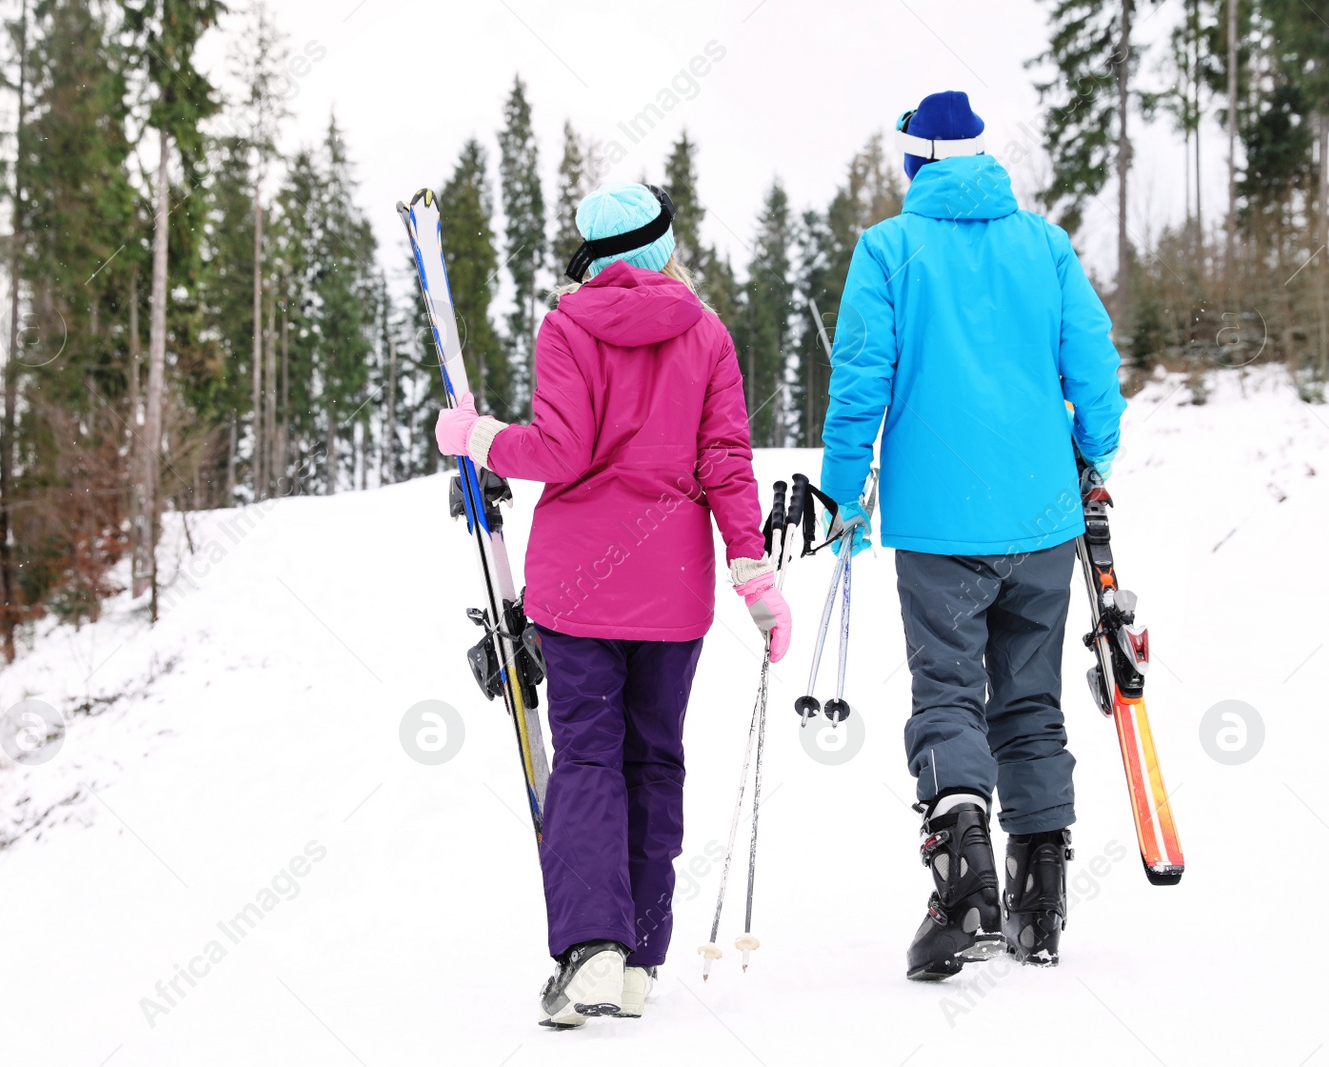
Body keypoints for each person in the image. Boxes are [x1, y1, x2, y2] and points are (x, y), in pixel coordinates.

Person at [435, 182, 791, 1027]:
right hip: (672, 595)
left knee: (590, 757)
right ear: (662, 248)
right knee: (654, 760)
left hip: (580, 589)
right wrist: (755, 576)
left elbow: (559, 450)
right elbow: (727, 463)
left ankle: (591, 949)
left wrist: (473, 437)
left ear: (598, 255)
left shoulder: (569, 326)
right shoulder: (707, 335)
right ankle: (636, 959)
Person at [818, 91, 1126, 980]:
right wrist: (1095, 452)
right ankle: (1040, 902)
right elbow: (1093, 361)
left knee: (949, 691)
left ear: (915, 162)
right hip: (1039, 517)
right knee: (1029, 698)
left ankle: (965, 893)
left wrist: (844, 495)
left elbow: (859, 382)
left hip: (939, 523)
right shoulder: (1045, 245)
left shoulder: (886, 250)